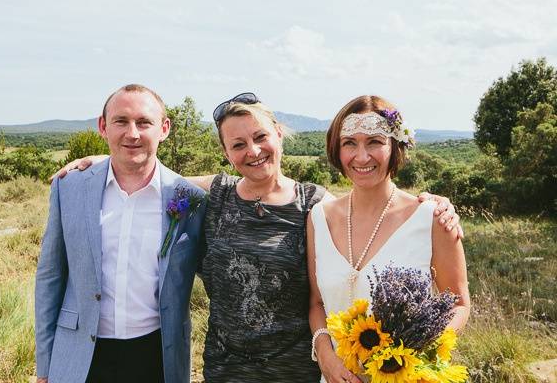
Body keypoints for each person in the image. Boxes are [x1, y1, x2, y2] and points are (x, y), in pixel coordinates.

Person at [54, 92, 463, 382]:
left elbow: (371, 207)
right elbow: (148, 174)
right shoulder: (210, 194)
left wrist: (431, 204)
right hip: (226, 367)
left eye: (260, 137)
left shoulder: (316, 204)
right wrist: (103, 159)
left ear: (279, 135)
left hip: (296, 369)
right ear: (227, 153)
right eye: (238, 144)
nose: (252, 151)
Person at [35, 84, 206, 383]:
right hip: (80, 355)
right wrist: (45, 365)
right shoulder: (69, 187)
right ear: (103, 126)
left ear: (164, 128)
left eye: (144, 122)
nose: (133, 133)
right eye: (121, 121)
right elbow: (50, 277)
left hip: (157, 356)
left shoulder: (189, 199)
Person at [306, 95, 470, 383]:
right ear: (336, 149)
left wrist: (417, 358)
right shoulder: (319, 218)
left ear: (395, 146)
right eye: (350, 143)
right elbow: (317, 303)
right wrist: (325, 356)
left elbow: (458, 303)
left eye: (374, 142)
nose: (361, 156)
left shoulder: (432, 218)